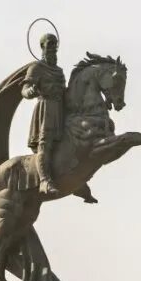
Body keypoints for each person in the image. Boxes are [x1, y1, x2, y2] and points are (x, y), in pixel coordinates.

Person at [22, 33, 97, 203]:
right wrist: (30, 91)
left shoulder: (59, 71)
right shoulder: (36, 68)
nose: (52, 48)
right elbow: (24, 90)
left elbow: (65, 92)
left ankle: (76, 180)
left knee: (72, 141)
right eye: (49, 44)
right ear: (42, 47)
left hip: (60, 108)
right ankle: (44, 181)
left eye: (55, 44)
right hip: (46, 109)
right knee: (45, 145)